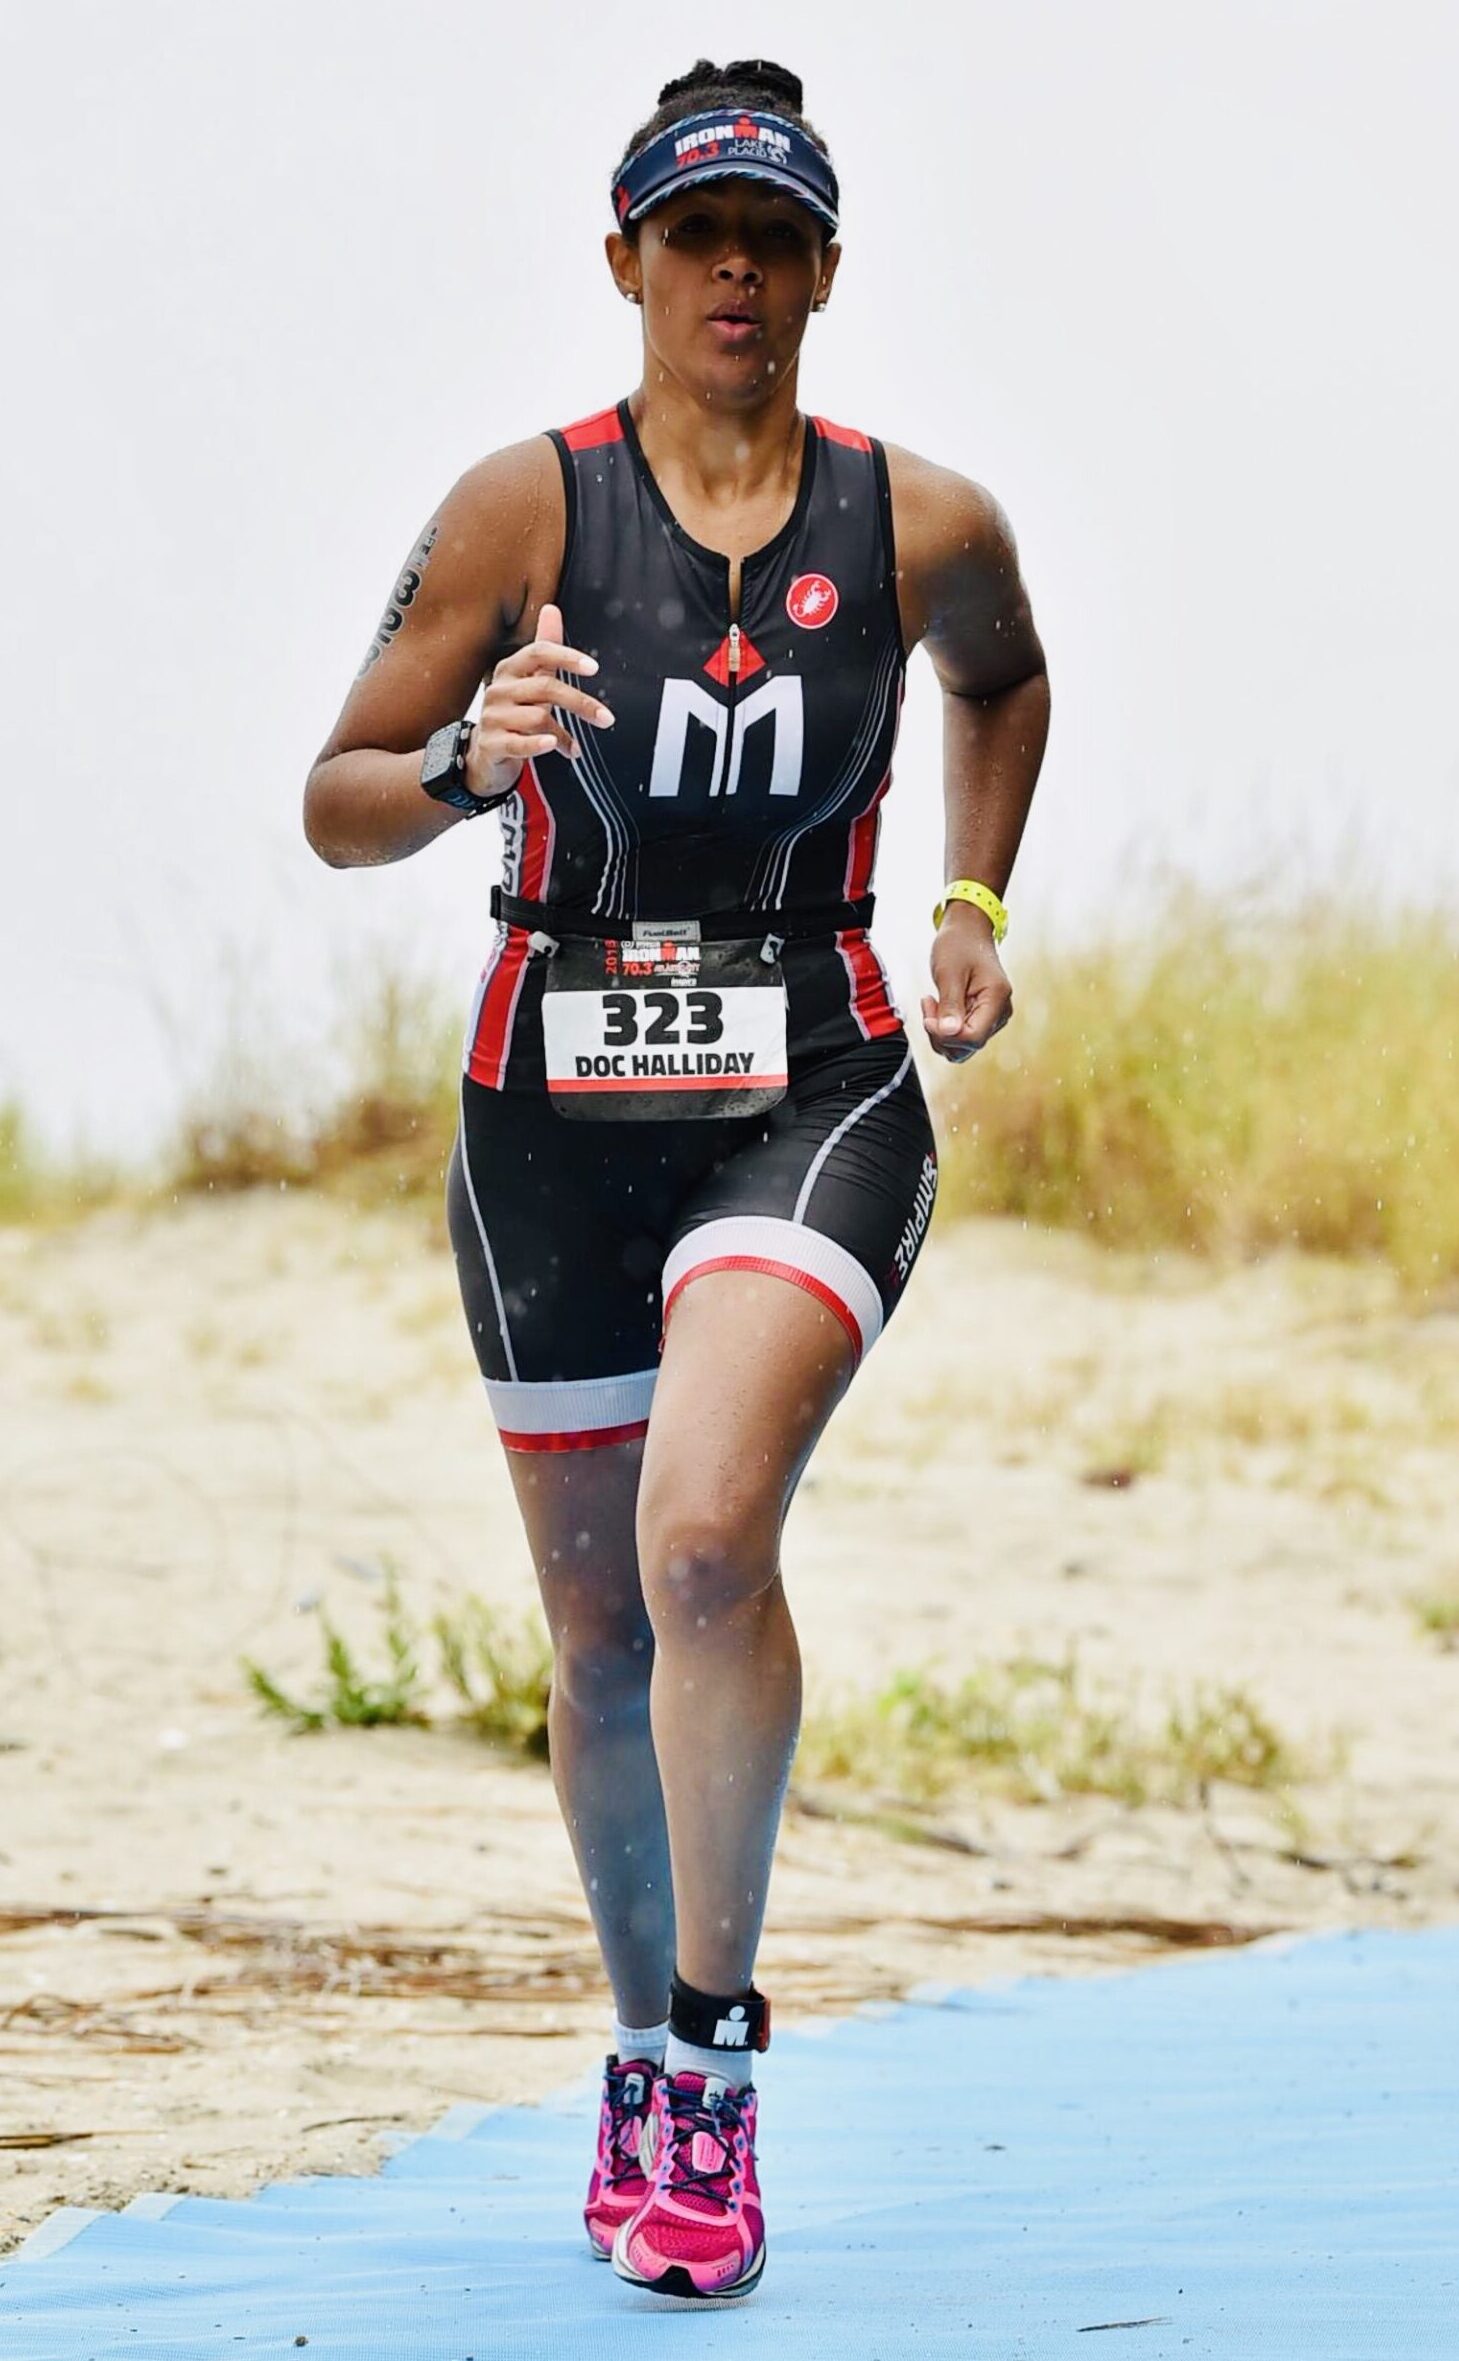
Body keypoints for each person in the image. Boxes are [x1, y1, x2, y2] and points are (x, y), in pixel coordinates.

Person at [303, 55, 1048, 2304]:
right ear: (623, 258)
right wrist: (461, 759)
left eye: (777, 237)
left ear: (824, 270)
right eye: (699, 233)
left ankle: (713, 2071)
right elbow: (334, 793)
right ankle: (637, 2038)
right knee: (605, 1622)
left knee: (708, 1535)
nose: (738, 271)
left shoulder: (917, 522)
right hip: (547, 1095)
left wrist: (973, 905)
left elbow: (1005, 684)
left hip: (806, 1072)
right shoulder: (521, 512)